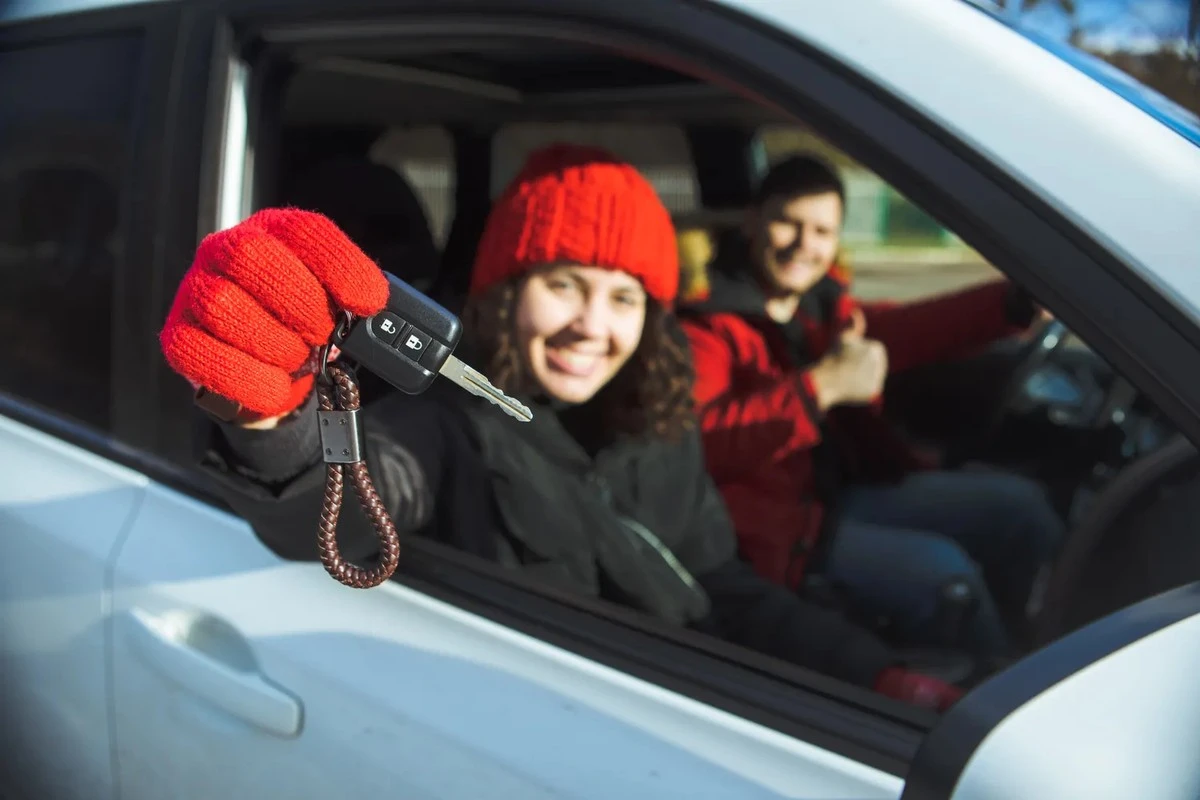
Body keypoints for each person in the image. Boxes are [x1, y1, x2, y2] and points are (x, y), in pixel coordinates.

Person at [159, 144, 962, 710]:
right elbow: (348, 499)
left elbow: (721, 589)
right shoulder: (444, 421)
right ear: (506, 293)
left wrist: (878, 678)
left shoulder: (658, 417)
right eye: (565, 285)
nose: (592, 326)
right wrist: (268, 414)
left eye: (622, 297)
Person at [678, 155, 1064, 658]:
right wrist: (820, 388)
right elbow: (695, 446)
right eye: (788, 223)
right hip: (775, 532)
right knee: (945, 574)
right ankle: (992, 690)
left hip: (837, 495)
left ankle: (1053, 648)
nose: (804, 245)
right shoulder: (704, 328)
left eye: (821, 231)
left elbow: (912, 330)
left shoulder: (821, 308)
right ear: (752, 221)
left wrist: (1008, 306)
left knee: (1021, 507)